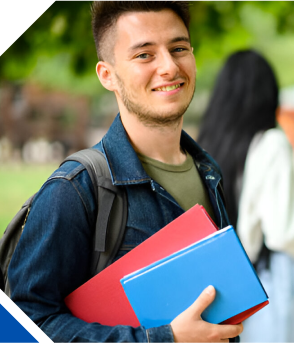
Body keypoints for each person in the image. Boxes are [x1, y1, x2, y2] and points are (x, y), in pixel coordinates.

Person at [8, 1, 243, 342]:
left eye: (178, 48)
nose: (169, 67)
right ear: (108, 75)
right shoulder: (75, 188)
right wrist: (165, 338)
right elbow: (26, 324)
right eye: (145, 55)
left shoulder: (208, 170)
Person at [197, 50, 294, 343]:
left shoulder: (204, 144)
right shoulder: (271, 142)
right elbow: (285, 233)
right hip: (270, 284)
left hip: (224, 288)